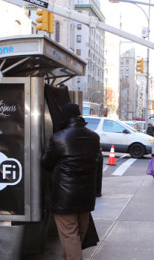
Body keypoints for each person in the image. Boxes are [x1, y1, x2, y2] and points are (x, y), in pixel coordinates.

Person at [42, 103, 101, 260]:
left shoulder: (58, 138)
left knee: (70, 237)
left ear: (64, 119)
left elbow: (46, 163)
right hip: (86, 196)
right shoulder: (94, 137)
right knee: (77, 236)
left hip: (64, 198)